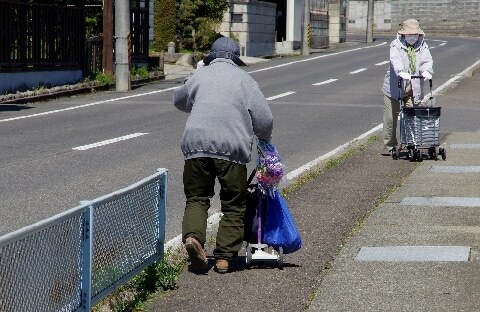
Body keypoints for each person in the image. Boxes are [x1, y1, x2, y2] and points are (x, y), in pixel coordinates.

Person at [173, 37, 273, 273]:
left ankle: (193, 239)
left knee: (197, 198)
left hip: (195, 146)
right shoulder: (245, 80)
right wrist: (264, 140)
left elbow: (179, 100)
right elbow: (264, 119)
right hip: (231, 148)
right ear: (235, 58)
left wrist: (199, 98)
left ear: (211, 55)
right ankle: (224, 258)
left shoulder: (200, 75)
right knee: (234, 204)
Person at [382, 19, 434, 153]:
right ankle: (391, 145)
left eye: (415, 34)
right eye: (410, 34)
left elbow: (426, 60)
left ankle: (411, 142)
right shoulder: (396, 45)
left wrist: (427, 71)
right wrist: (401, 72)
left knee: (411, 116)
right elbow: (395, 60)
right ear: (404, 34)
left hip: (413, 87)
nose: (413, 37)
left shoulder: (422, 45)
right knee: (390, 117)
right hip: (394, 86)